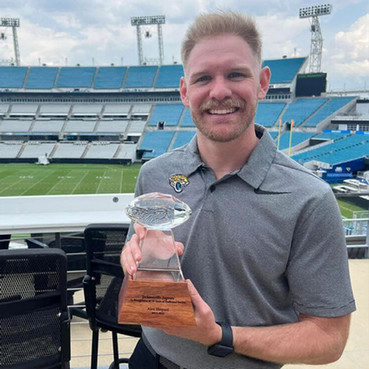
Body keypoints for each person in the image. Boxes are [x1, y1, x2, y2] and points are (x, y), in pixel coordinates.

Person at [121, 10, 356, 369]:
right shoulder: (154, 174)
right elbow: (139, 268)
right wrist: (132, 262)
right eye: (203, 79)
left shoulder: (309, 198)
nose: (219, 91)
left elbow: (329, 340)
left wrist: (218, 335)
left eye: (235, 74)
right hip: (149, 360)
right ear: (185, 92)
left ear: (262, 83)